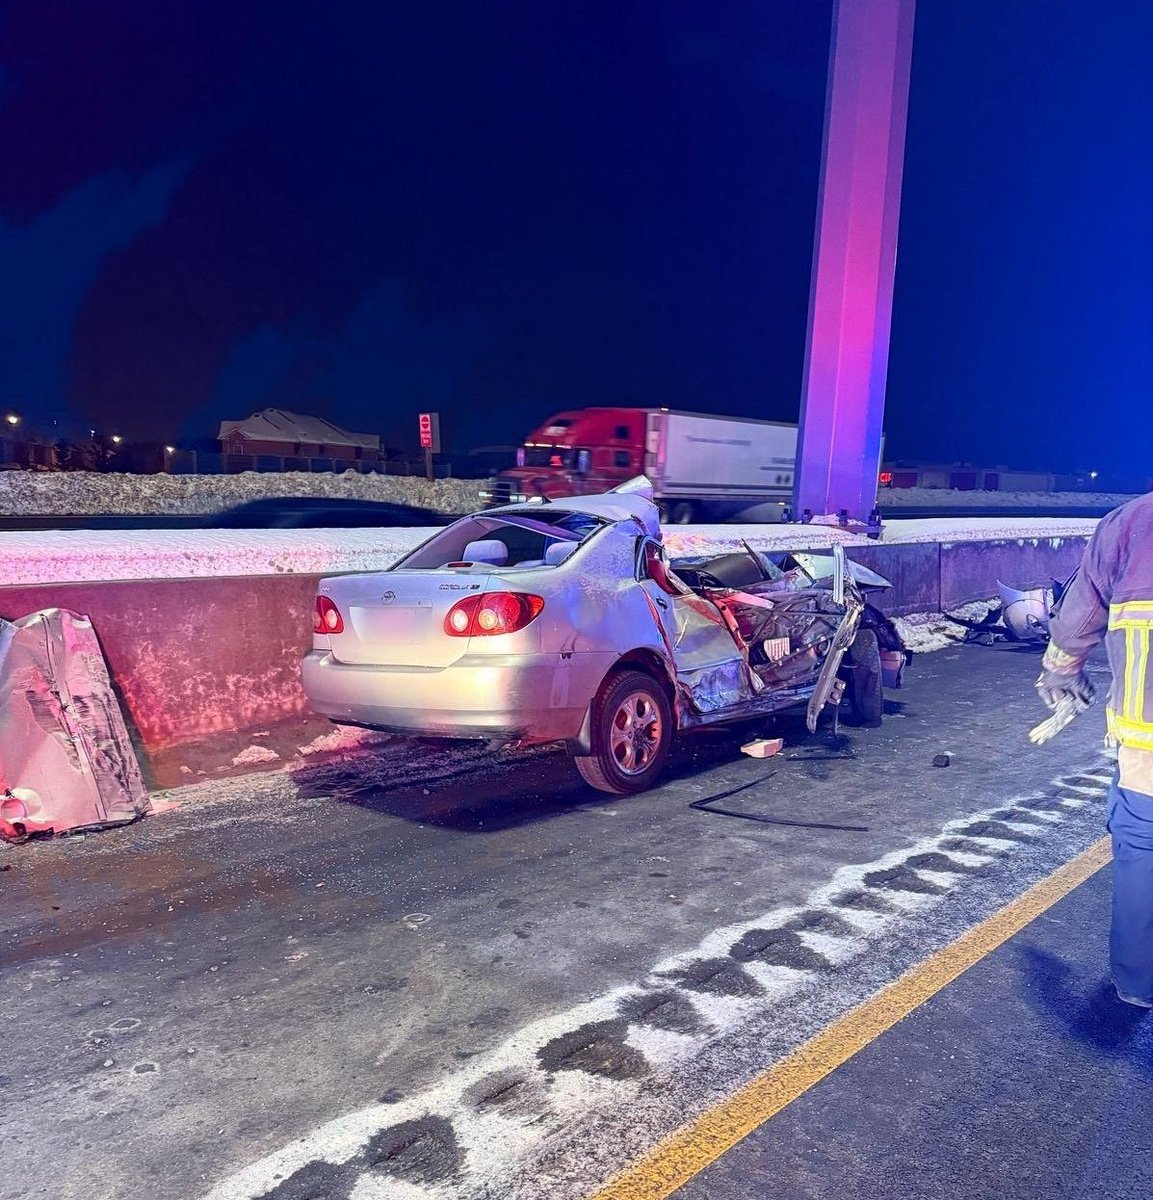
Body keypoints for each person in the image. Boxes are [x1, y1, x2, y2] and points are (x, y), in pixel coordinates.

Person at [1038, 491, 1153, 1007]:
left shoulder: (1132, 521)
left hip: (1147, 735)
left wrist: (1061, 669)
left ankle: (1138, 983)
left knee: (1143, 848)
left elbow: (1081, 613)